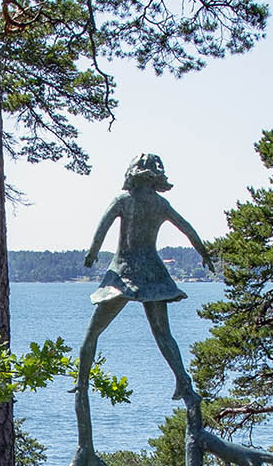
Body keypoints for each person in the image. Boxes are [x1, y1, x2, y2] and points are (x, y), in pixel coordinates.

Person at [79, 153, 214, 397]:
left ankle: (82, 383)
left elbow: (102, 226)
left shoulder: (123, 200)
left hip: (124, 272)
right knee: (163, 333)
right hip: (152, 274)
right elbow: (188, 229)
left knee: (93, 332)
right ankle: (183, 379)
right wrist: (203, 253)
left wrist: (92, 253)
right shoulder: (160, 204)